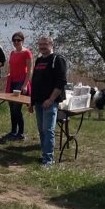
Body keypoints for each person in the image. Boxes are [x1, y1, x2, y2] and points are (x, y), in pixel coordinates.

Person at [28, 36, 67, 167]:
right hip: (38, 102)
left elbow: (61, 82)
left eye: (45, 44)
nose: (42, 47)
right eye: (40, 44)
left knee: (49, 130)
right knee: (42, 130)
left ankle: (48, 160)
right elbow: (34, 81)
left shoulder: (58, 59)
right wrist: (31, 102)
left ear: (51, 45)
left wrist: (51, 99)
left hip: (50, 102)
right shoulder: (39, 60)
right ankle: (44, 154)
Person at [3, 32, 33, 141]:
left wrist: (25, 85)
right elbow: (12, 67)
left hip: (21, 82)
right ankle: (13, 131)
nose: (16, 42)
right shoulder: (12, 53)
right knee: (11, 108)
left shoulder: (27, 53)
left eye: (18, 40)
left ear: (22, 41)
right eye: (14, 40)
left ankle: (21, 133)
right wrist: (9, 75)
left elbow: (29, 70)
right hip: (12, 82)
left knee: (17, 108)